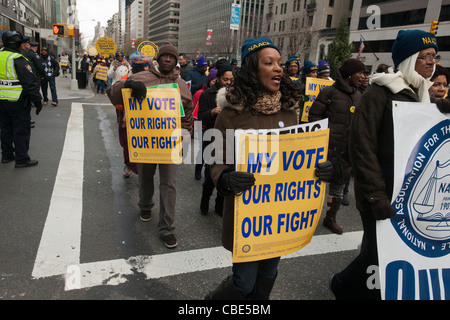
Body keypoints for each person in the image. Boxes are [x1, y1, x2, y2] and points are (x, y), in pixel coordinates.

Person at [205, 37, 332, 300]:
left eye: (280, 63)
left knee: (269, 275)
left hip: (280, 213)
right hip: (247, 216)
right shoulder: (230, 113)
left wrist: (320, 168)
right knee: (243, 285)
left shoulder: (289, 111)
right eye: (269, 62)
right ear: (253, 68)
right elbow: (214, 157)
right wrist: (225, 178)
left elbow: (299, 156)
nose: (278, 68)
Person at [330, 29, 450, 300]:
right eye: (425, 57)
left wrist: (440, 113)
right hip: (381, 192)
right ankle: (343, 285)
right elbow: (361, 145)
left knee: (395, 250)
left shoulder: (424, 95)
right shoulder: (380, 93)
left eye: (434, 56)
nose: (432, 62)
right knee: (377, 252)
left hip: (408, 193)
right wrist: (374, 194)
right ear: (408, 59)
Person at [107, 42, 194, 249]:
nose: (167, 60)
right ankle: (145, 206)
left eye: (171, 57)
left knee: (169, 185)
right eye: (164, 56)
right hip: (146, 142)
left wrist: (186, 135)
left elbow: (188, 113)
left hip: (170, 144)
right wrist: (127, 85)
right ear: (158, 58)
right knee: (145, 177)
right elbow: (113, 92)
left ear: (175, 62)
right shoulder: (141, 77)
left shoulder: (181, 86)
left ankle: (167, 228)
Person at [308, 58, 365, 234]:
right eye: (360, 72)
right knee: (313, 184)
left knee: (338, 185)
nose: (363, 77)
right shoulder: (328, 92)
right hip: (324, 148)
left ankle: (330, 218)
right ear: (349, 74)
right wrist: (324, 137)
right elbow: (313, 117)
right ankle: (303, 218)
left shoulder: (358, 95)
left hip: (345, 151)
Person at [0, 31, 42, 168]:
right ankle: (22, 158)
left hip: (1, 100)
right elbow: (30, 83)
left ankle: (7, 155)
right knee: (21, 130)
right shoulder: (18, 59)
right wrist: (37, 100)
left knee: (5, 129)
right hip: (18, 101)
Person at [198, 59, 233, 216]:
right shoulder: (207, 94)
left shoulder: (235, 94)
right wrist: (211, 112)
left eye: (231, 80)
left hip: (229, 139)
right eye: (225, 79)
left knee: (225, 174)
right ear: (218, 78)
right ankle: (205, 201)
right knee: (209, 176)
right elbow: (200, 117)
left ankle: (220, 204)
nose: (228, 82)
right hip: (212, 137)